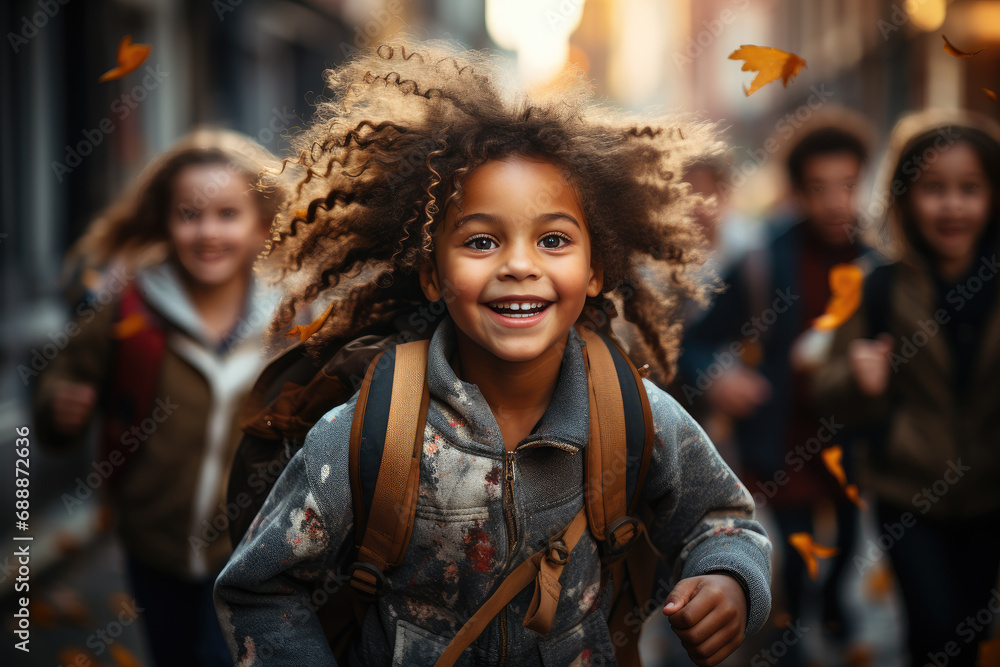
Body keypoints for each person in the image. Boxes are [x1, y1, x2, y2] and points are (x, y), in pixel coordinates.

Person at [214, 40, 772, 666]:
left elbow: (722, 521)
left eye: (553, 239)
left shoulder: (632, 414)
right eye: (481, 240)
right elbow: (260, 588)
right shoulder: (371, 431)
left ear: (595, 269)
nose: (519, 265)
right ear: (431, 273)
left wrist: (728, 577)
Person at [31, 129, 283, 666]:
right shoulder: (129, 307)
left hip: (251, 549)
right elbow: (64, 375)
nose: (207, 231)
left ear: (261, 225)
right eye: (189, 214)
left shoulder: (292, 321)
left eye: (227, 214)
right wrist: (58, 408)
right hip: (152, 544)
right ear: (166, 223)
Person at [676, 116, 875, 655]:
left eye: (849, 186)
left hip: (855, 445)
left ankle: (831, 609)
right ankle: (794, 632)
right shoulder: (765, 260)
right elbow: (693, 343)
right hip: (783, 440)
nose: (836, 202)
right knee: (794, 547)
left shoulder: (879, 266)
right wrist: (718, 375)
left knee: (851, 540)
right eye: (819, 188)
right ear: (796, 191)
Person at [814, 110, 1000, 667]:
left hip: (990, 493)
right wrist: (857, 376)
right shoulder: (881, 284)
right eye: (934, 189)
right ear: (905, 197)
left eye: (970, 189)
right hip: (907, 493)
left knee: (971, 631)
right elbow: (826, 386)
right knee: (933, 629)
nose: (952, 205)